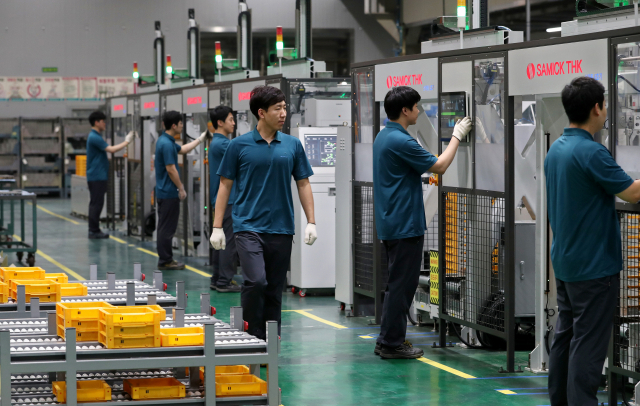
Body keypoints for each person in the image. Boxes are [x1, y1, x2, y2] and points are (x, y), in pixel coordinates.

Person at [545, 77, 640, 406]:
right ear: (596, 108)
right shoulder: (590, 151)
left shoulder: (556, 149)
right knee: (588, 343)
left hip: (567, 263)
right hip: (594, 266)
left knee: (566, 336)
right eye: (604, 104)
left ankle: (561, 400)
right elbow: (632, 191)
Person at [210, 85, 317, 339]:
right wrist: (216, 226)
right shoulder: (238, 146)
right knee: (256, 281)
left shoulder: (292, 145)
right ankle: (249, 333)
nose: (283, 113)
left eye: (284, 108)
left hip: (281, 227)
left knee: (274, 288)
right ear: (261, 112)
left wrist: (311, 221)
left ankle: (270, 338)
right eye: (277, 109)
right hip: (248, 226)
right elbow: (225, 185)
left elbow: (303, 183)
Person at [373, 86, 472, 359]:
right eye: (416, 107)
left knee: (396, 285)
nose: (419, 111)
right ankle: (392, 343)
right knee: (402, 288)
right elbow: (440, 166)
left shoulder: (384, 136)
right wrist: (456, 136)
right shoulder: (400, 141)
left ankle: (386, 340)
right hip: (405, 224)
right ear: (405, 110)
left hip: (391, 222)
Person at [155, 110, 208, 270]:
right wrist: (181, 188)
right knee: (167, 228)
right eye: (180, 124)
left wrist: (199, 139)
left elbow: (183, 150)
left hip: (164, 192)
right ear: (174, 125)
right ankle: (165, 260)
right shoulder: (166, 144)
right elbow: (171, 169)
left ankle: (166, 258)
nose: (182, 126)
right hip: (169, 192)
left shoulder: (166, 141)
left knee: (165, 227)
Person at [86, 110, 135, 239]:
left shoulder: (95, 136)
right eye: (103, 121)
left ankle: (94, 229)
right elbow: (111, 150)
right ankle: (93, 230)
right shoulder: (94, 137)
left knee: (96, 203)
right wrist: (127, 141)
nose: (105, 124)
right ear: (97, 122)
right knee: (96, 203)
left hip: (97, 175)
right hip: (97, 176)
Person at [208, 105, 240, 293]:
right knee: (228, 241)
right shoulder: (224, 145)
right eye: (230, 119)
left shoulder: (216, 143)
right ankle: (224, 281)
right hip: (228, 199)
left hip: (222, 199)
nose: (234, 123)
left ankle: (217, 278)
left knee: (219, 240)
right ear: (220, 123)